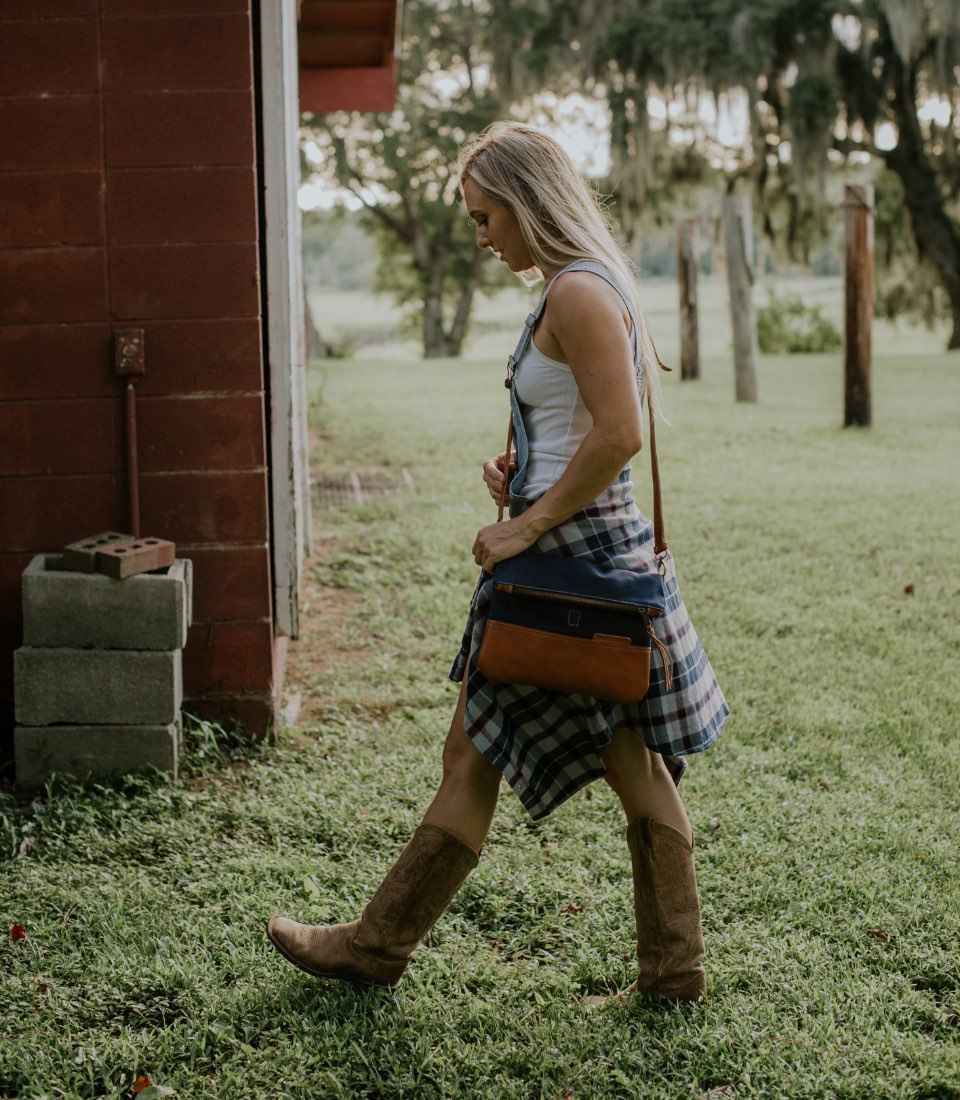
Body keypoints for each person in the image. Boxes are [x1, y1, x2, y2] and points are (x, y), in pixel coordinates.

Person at [267, 122, 729, 1003]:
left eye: (486, 217)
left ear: (527, 201)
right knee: (626, 754)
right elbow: (580, 424)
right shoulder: (576, 287)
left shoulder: (578, 294)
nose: (481, 236)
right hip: (578, 543)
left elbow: (623, 434)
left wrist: (527, 524)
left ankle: (374, 947)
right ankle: (672, 972)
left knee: (483, 750)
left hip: (567, 556)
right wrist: (520, 467)